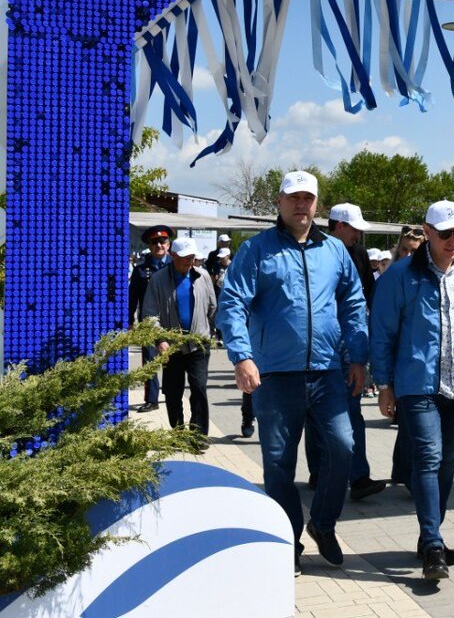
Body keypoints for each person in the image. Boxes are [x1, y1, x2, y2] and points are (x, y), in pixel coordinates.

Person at [216, 170, 369, 576]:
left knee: (343, 446)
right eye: (293, 198)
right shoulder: (257, 250)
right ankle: (288, 540)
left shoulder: (335, 250)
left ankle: (323, 522)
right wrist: (242, 356)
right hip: (275, 376)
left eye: (308, 198)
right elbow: (232, 303)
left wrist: (358, 356)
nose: (301, 205)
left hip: (328, 372)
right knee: (279, 464)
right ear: (279, 203)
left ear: (317, 204)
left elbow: (354, 303)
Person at [371, 200, 454, 580]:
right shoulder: (401, 275)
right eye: (446, 234)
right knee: (427, 457)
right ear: (427, 232)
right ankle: (434, 543)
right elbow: (383, 331)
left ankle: (430, 537)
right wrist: (385, 383)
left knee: (448, 461)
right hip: (417, 385)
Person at [304, 203, 387, 502]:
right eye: (354, 229)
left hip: (348, 346)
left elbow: (361, 302)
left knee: (353, 413)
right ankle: (318, 471)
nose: (358, 235)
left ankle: (359, 476)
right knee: (314, 414)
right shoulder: (312, 251)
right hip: (318, 347)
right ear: (338, 226)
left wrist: (360, 354)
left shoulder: (360, 255)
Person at [142, 237, 218, 444]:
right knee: (173, 392)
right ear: (173, 256)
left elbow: (213, 306)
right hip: (171, 346)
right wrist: (160, 339)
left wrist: (206, 331)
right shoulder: (158, 280)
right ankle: (178, 433)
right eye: (185, 257)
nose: (189, 261)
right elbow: (149, 314)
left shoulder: (202, 276)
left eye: (192, 257)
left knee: (199, 387)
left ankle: (198, 435)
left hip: (199, 344)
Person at [129, 224, 174, 413]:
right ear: (149, 245)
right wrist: (129, 321)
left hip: (172, 321)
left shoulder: (175, 266)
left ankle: (172, 395)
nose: (159, 245)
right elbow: (132, 297)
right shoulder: (141, 271)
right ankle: (151, 399)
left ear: (169, 244)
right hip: (148, 322)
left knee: (172, 362)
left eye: (162, 241)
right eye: (154, 242)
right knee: (149, 361)